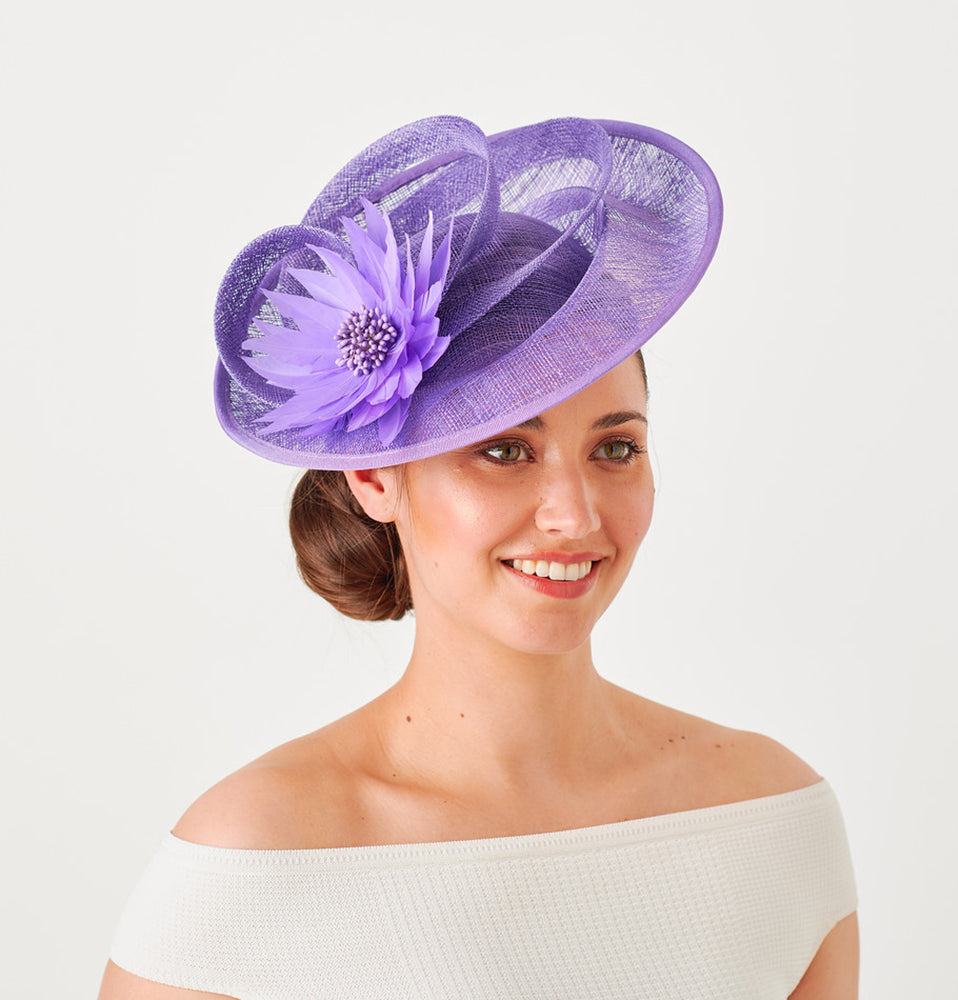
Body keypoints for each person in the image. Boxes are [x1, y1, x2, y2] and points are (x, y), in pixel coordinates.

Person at [98, 116, 858, 999]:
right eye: (504, 450)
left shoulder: (771, 817)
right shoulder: (253, 858)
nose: (574, 514)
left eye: (615, 448)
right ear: (374, 475)